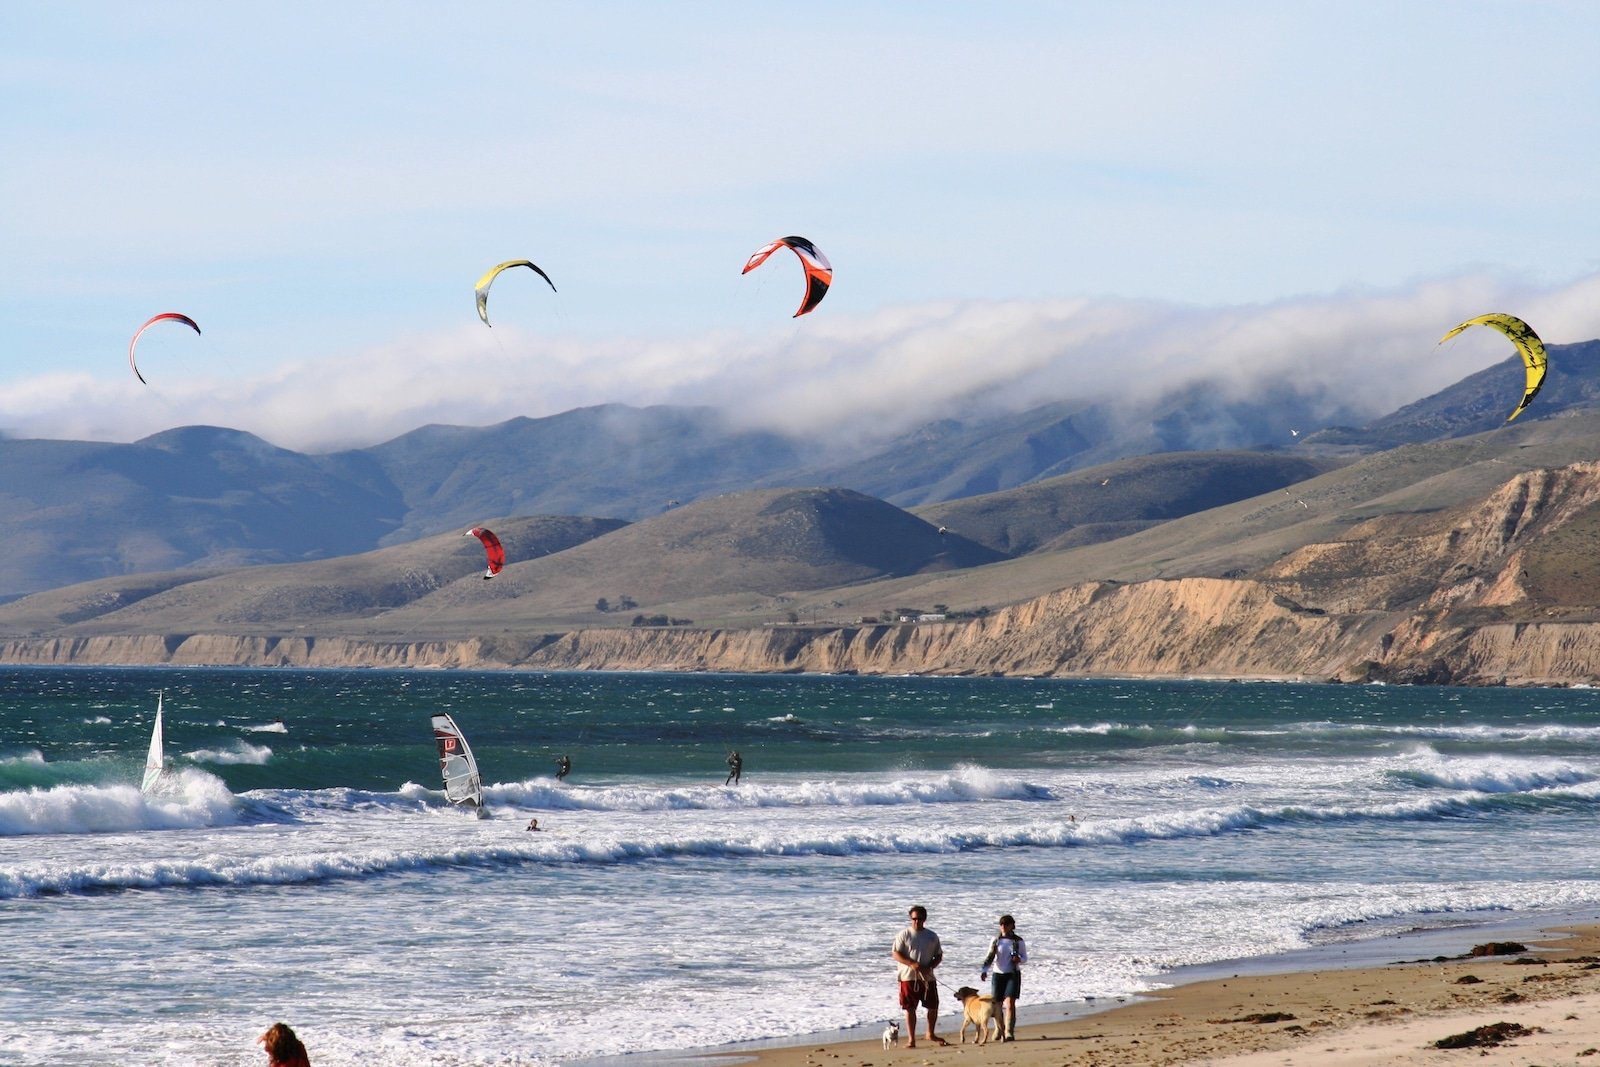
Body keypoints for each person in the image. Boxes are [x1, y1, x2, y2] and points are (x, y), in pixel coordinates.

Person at [891, 904, 945, 1048]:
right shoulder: (904, 934)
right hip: (908, 977)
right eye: (914, 919)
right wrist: (911, 963)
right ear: (910, 918)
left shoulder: (932, 936)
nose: (916, 921)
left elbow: (939, 955)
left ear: (924, 919)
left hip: (927, 978)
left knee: (933, 1006)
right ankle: (911, 1040)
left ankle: (930, 1033)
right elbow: (895, 954)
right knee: (909, 1008)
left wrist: (931, 967)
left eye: (919, 919)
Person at [979, 914, 1028, 1041]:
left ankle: (1009, 1031)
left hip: (1012, 973)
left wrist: (1019, 959)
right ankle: (999, 1029)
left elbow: (1025, 958)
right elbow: (989, 956)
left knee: (1010, 1004)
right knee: (997, 1005)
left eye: (1006, 924)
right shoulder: (996, 940)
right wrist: (984, 970)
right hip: (998, 974)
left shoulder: (1018, 941)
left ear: (1012, 925)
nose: (1003, 926)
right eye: (1001, 924)